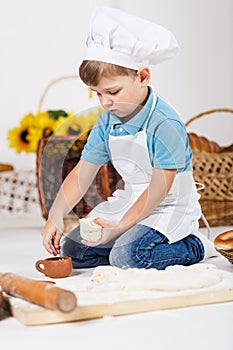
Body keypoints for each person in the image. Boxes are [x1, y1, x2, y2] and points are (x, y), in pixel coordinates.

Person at [41, 6, 217, 269]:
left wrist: (119, 229)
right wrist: (55, 216)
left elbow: (159, 188)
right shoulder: (107, 122)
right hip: (131, 201)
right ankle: (128, 244)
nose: (105, 102)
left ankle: (194, 245)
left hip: (168, 206)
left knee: (127, 257)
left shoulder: (165, 122)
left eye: (113, 91)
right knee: (74, 248)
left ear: (142, 76)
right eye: (97, 94)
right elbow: (81, 174)